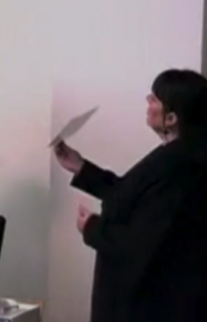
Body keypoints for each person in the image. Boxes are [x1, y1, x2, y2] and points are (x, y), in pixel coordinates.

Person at [54, 68, 207, 322]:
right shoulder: (178, 156)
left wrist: (92, 227)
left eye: (155, 98)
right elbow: (133, 194)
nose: (148, 101)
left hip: (148, 306)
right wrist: (81, 167)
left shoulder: (179, 167)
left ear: (171, 118)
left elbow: (141, 242)